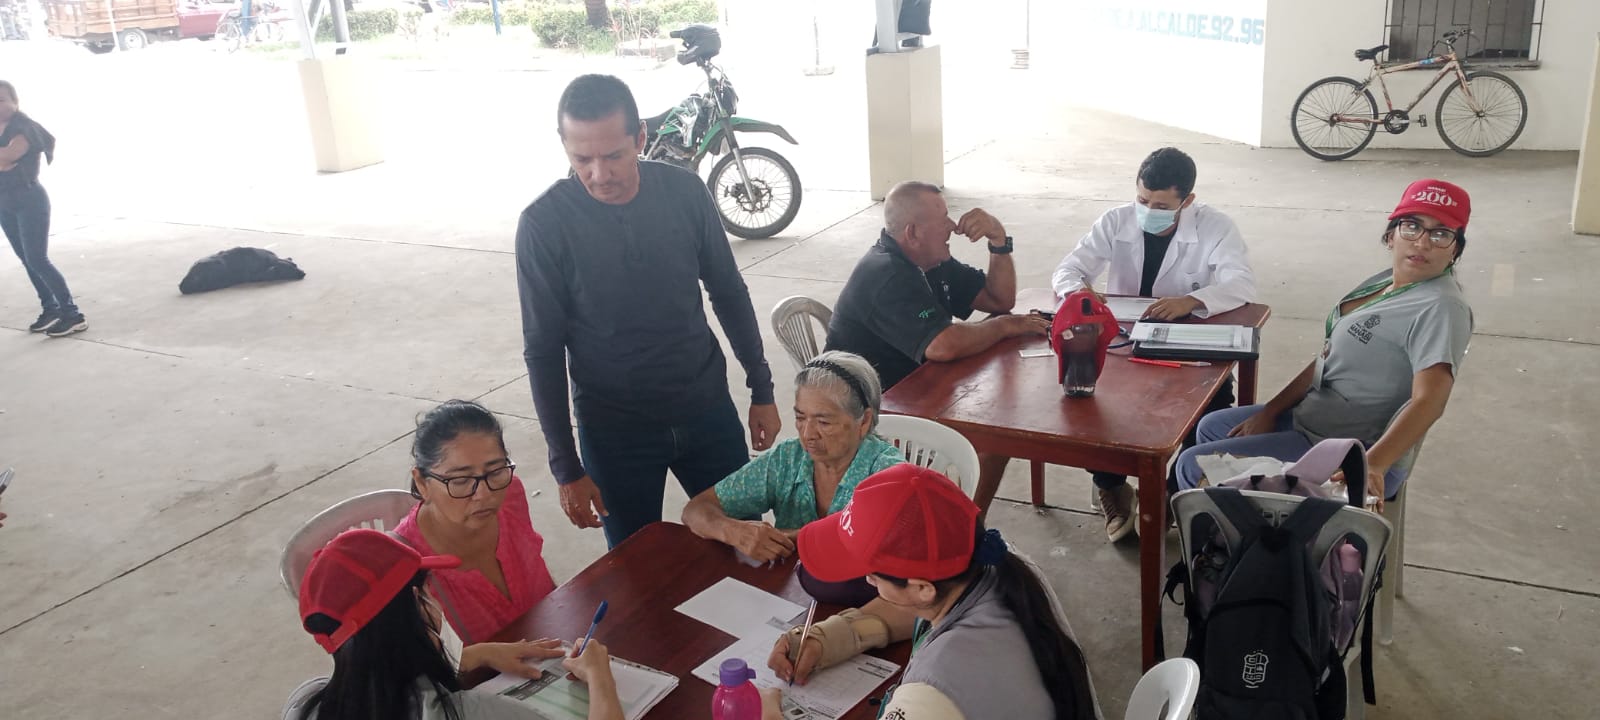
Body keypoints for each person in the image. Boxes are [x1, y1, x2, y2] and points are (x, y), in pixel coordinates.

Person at [517, 74, 781, 548]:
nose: (599, 174)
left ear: (640, 137)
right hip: (614, 431)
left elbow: (728, 291)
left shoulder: (685, 193)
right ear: (564, 145)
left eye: (613, 155)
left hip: (706, 409)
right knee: (634, 566)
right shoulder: (544, 225)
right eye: (582, 159)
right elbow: (542, 350)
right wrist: (566, 466)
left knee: (746, 546)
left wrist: (761, 388)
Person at [1174, 179, 1475, 508]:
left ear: (1455, 249)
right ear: (1391, 236)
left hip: (1350, 449)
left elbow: (1430, 401)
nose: (1422, 242)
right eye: (1412, 226)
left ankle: (1231, 536)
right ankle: (1228, 522)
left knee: (1192, 466)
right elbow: (1328, 359)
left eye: (1440, 233)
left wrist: (1373, 463)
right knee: (1212, 426)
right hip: (1317, 418)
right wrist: (1273, 410)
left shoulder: (1442, 308)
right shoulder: (1386, 282)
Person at [763, 465, 1099, 719]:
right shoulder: (998, 562)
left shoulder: (935, 691)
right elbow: (911, 610)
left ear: (922, 587)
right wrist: (829, 638)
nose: (869, 582)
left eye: (873, 576)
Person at [1049, 147, 1256, 541]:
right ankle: (1110, 486)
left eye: (1161, 205)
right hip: (1122, 339)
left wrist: (1191, 300)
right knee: (1086, 395)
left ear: (1187, 201)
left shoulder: (1216, 227)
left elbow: (1241, 283)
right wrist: (1080, 293)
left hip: (1182, 337)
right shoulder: (1116, 220)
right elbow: (1069, 268)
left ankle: (1170, 491)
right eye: (1143, 200)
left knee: (1213, 405)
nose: (1148, 210)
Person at [824, 182, 1047, 515]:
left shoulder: (930, 261)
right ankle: (962, 531)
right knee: (992, 441)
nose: (953, 226)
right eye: (943, 218)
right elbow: (942, 345)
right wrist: (1004, 326)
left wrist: (999, 241)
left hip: (915, 390)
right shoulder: (887, 274)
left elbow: (999, 299)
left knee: (999, 427)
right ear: (913, 233)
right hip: (869, 414)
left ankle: (961, 529)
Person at [284, 528, 625, 720]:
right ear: (418, 606)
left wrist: (478, 654)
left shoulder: (306, 703)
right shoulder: (462, 712)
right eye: (428, 592)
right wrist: (600, 678)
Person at [681, 351, 904, 563]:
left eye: (824, 422)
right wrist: (734, 531)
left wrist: (789, 537)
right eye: (800, 418)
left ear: (864, 421)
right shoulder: (787, 458)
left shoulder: (888, 473)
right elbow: (695, 510)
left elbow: (869, 541)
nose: (807, 434)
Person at [395, 401, 558, 659]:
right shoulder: (405, 564)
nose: (483, 494)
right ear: (422, 483)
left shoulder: (510, 495)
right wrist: (476, 657)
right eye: (460, 480)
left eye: (495, 471)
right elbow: (401, 670)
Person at [0, 80, 84, 338]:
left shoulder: (26, 127)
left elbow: (9, 156)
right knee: (26, 259)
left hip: (29, 200)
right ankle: (51, 308)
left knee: (37, 258)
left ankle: (73, 315)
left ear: (15, 102)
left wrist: (5, 158)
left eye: (1, 100)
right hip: (4, 202)